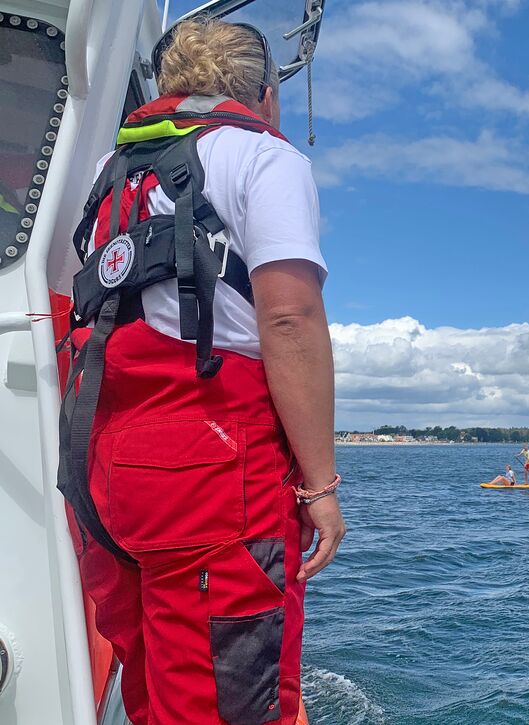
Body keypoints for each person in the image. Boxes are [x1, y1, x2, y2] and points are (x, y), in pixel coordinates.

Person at [57, 18, 344, 725]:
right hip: (211, 474)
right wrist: (321, 484)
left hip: (102, 476)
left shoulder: (107, 177)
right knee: (231, 702)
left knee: (152, 690)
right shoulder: (264, 159)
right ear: (264, 96)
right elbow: (289, 319)